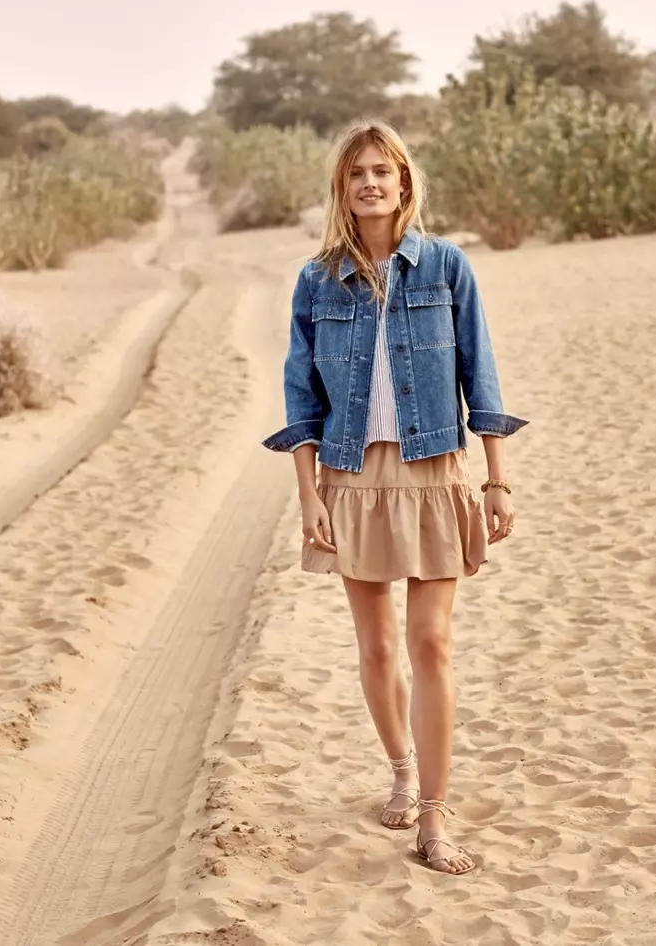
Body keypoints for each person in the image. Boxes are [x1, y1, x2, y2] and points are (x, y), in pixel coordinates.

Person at [263, 120, 527, 875]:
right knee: (378, 647)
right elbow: (300, 394)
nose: (372, 183)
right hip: (350, 477)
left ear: (405, 182)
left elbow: (482, 376)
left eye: (384, 170)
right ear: (342, 190)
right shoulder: (318, 279)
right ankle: (403, 770)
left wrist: (497, 479)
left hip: (435, 470)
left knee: (431, 643)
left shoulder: (445, 267)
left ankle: (436, 819)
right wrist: (309, 494)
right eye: (357, 174)